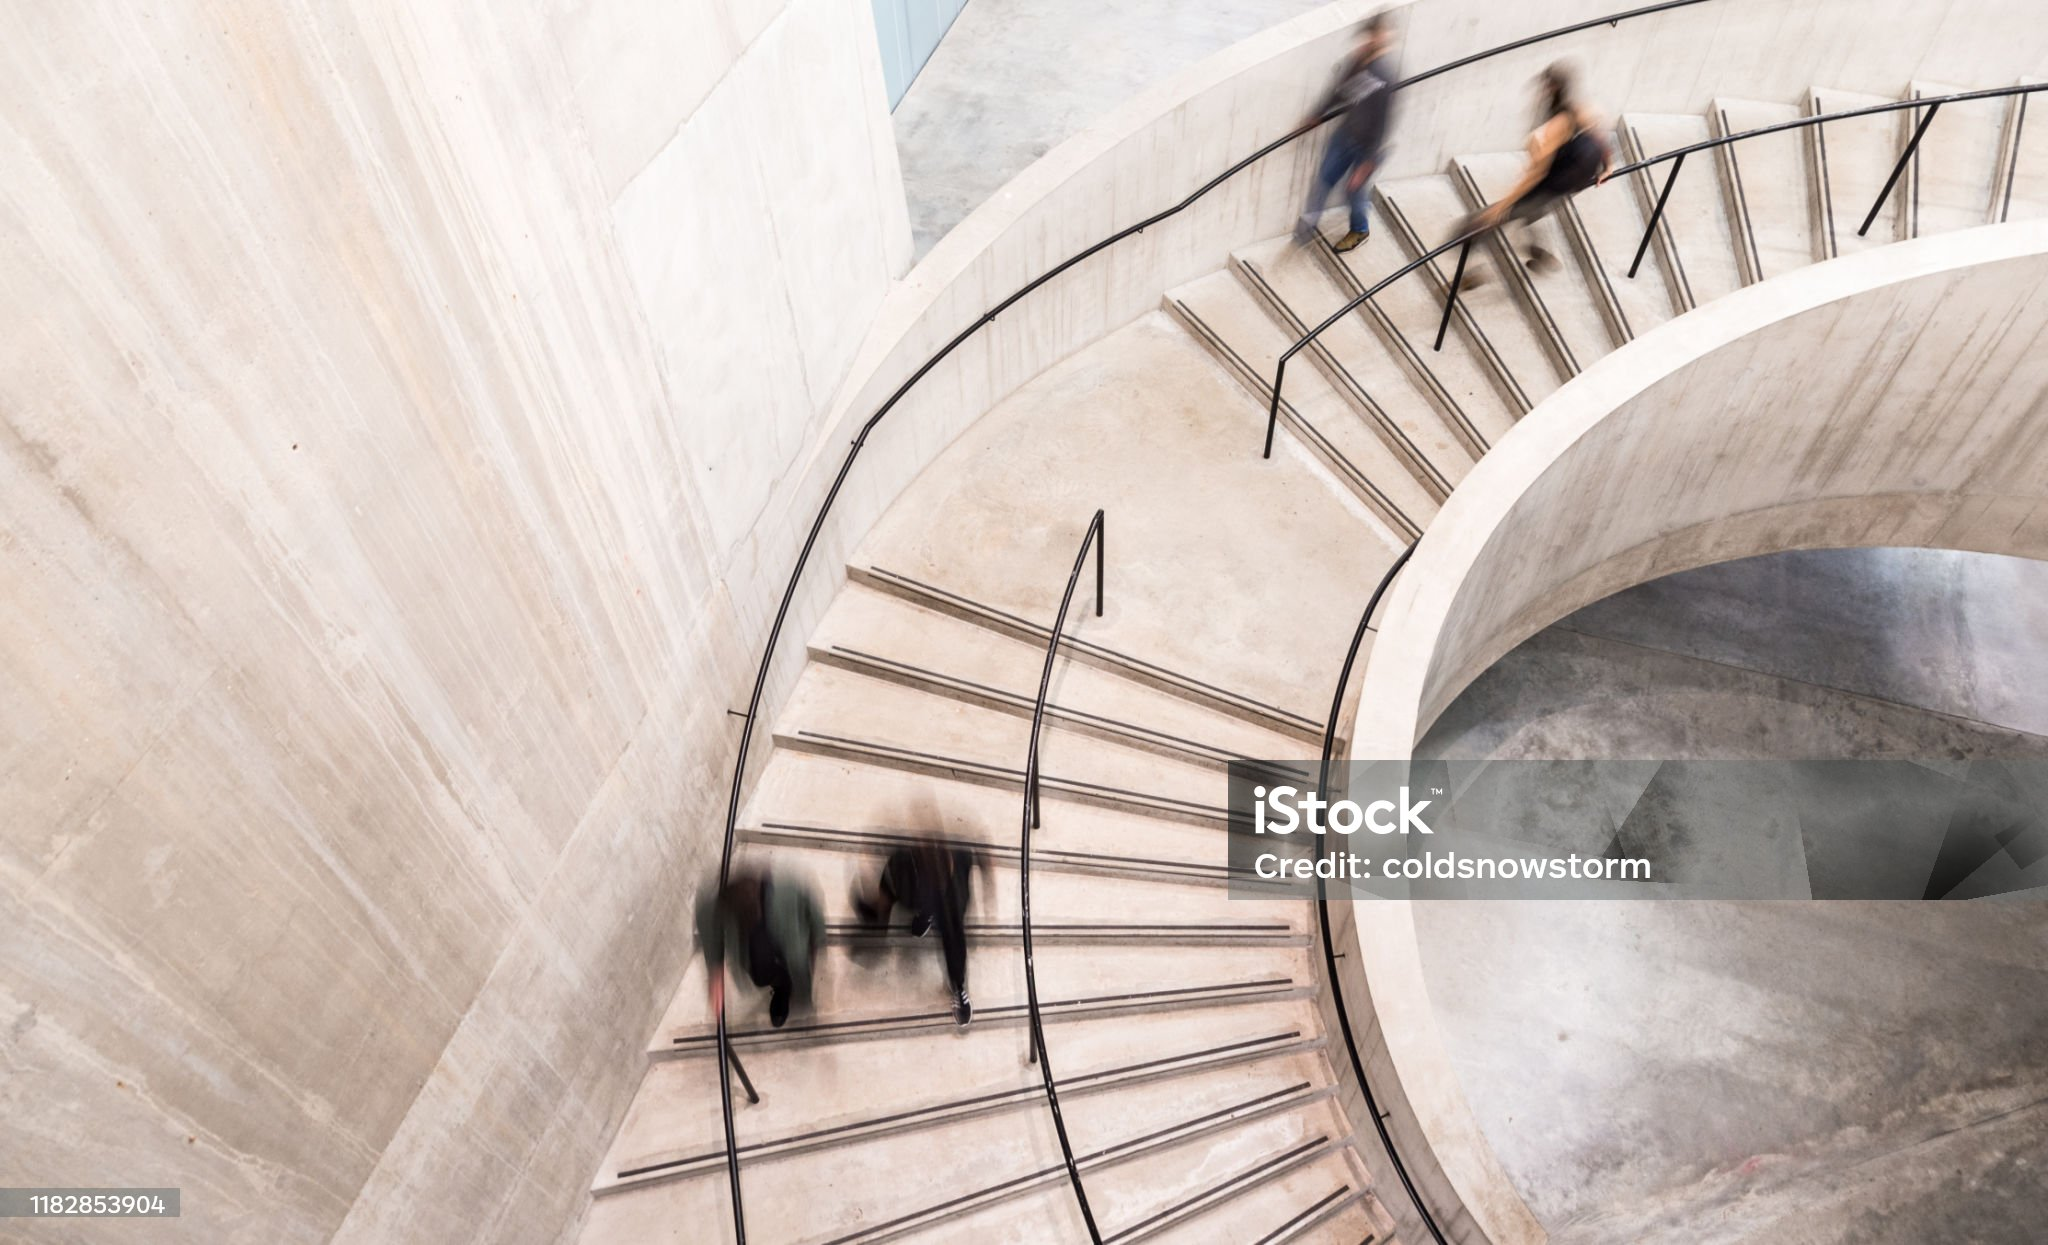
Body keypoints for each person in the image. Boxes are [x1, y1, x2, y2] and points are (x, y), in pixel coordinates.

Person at [1458, 63, 1612, 285]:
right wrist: (1608, 166)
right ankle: (1539, 254)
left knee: (1483, 223)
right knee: (1527, 215)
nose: (1540, 91)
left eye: (1545, 85)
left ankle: (1470, 275)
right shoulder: (1577, 109)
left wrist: (1501, 207)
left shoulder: (1554, 127)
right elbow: (1598, 136)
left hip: (1548, 185)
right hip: (1564, 184)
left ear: (1552, 88)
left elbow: (1536, 174)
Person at [850, 837, 984, 1027]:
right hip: (922, 885)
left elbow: (955, 942)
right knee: (895, 893)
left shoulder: (955, 895)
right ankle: (924, 914)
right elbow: (886, 891)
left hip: (947, 894)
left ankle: (959, 987)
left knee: (952, 935)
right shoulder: (899, 864)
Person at [1294, 15, 1398, 254]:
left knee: (1354, 191)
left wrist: (1367, 161)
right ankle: (1308, 227)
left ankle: (1360, 229)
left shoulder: (1384, 75)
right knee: (1324, 179)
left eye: (1374, 36)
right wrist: (1317, 115)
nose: (1368, 41)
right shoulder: (1358, 63)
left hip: (1366, 146)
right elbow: (1339, 93)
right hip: (1345, 135)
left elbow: (1383, 121)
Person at [696, 867, 824, 1029]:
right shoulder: (717, 908)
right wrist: (715, 972)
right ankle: (782, 989)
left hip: (790, 943)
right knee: (760, 974)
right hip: (757, 948)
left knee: (798, 967)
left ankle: (799, 992)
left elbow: (812, 907)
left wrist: (817, 938)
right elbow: (708, 922)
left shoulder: (788, 889)